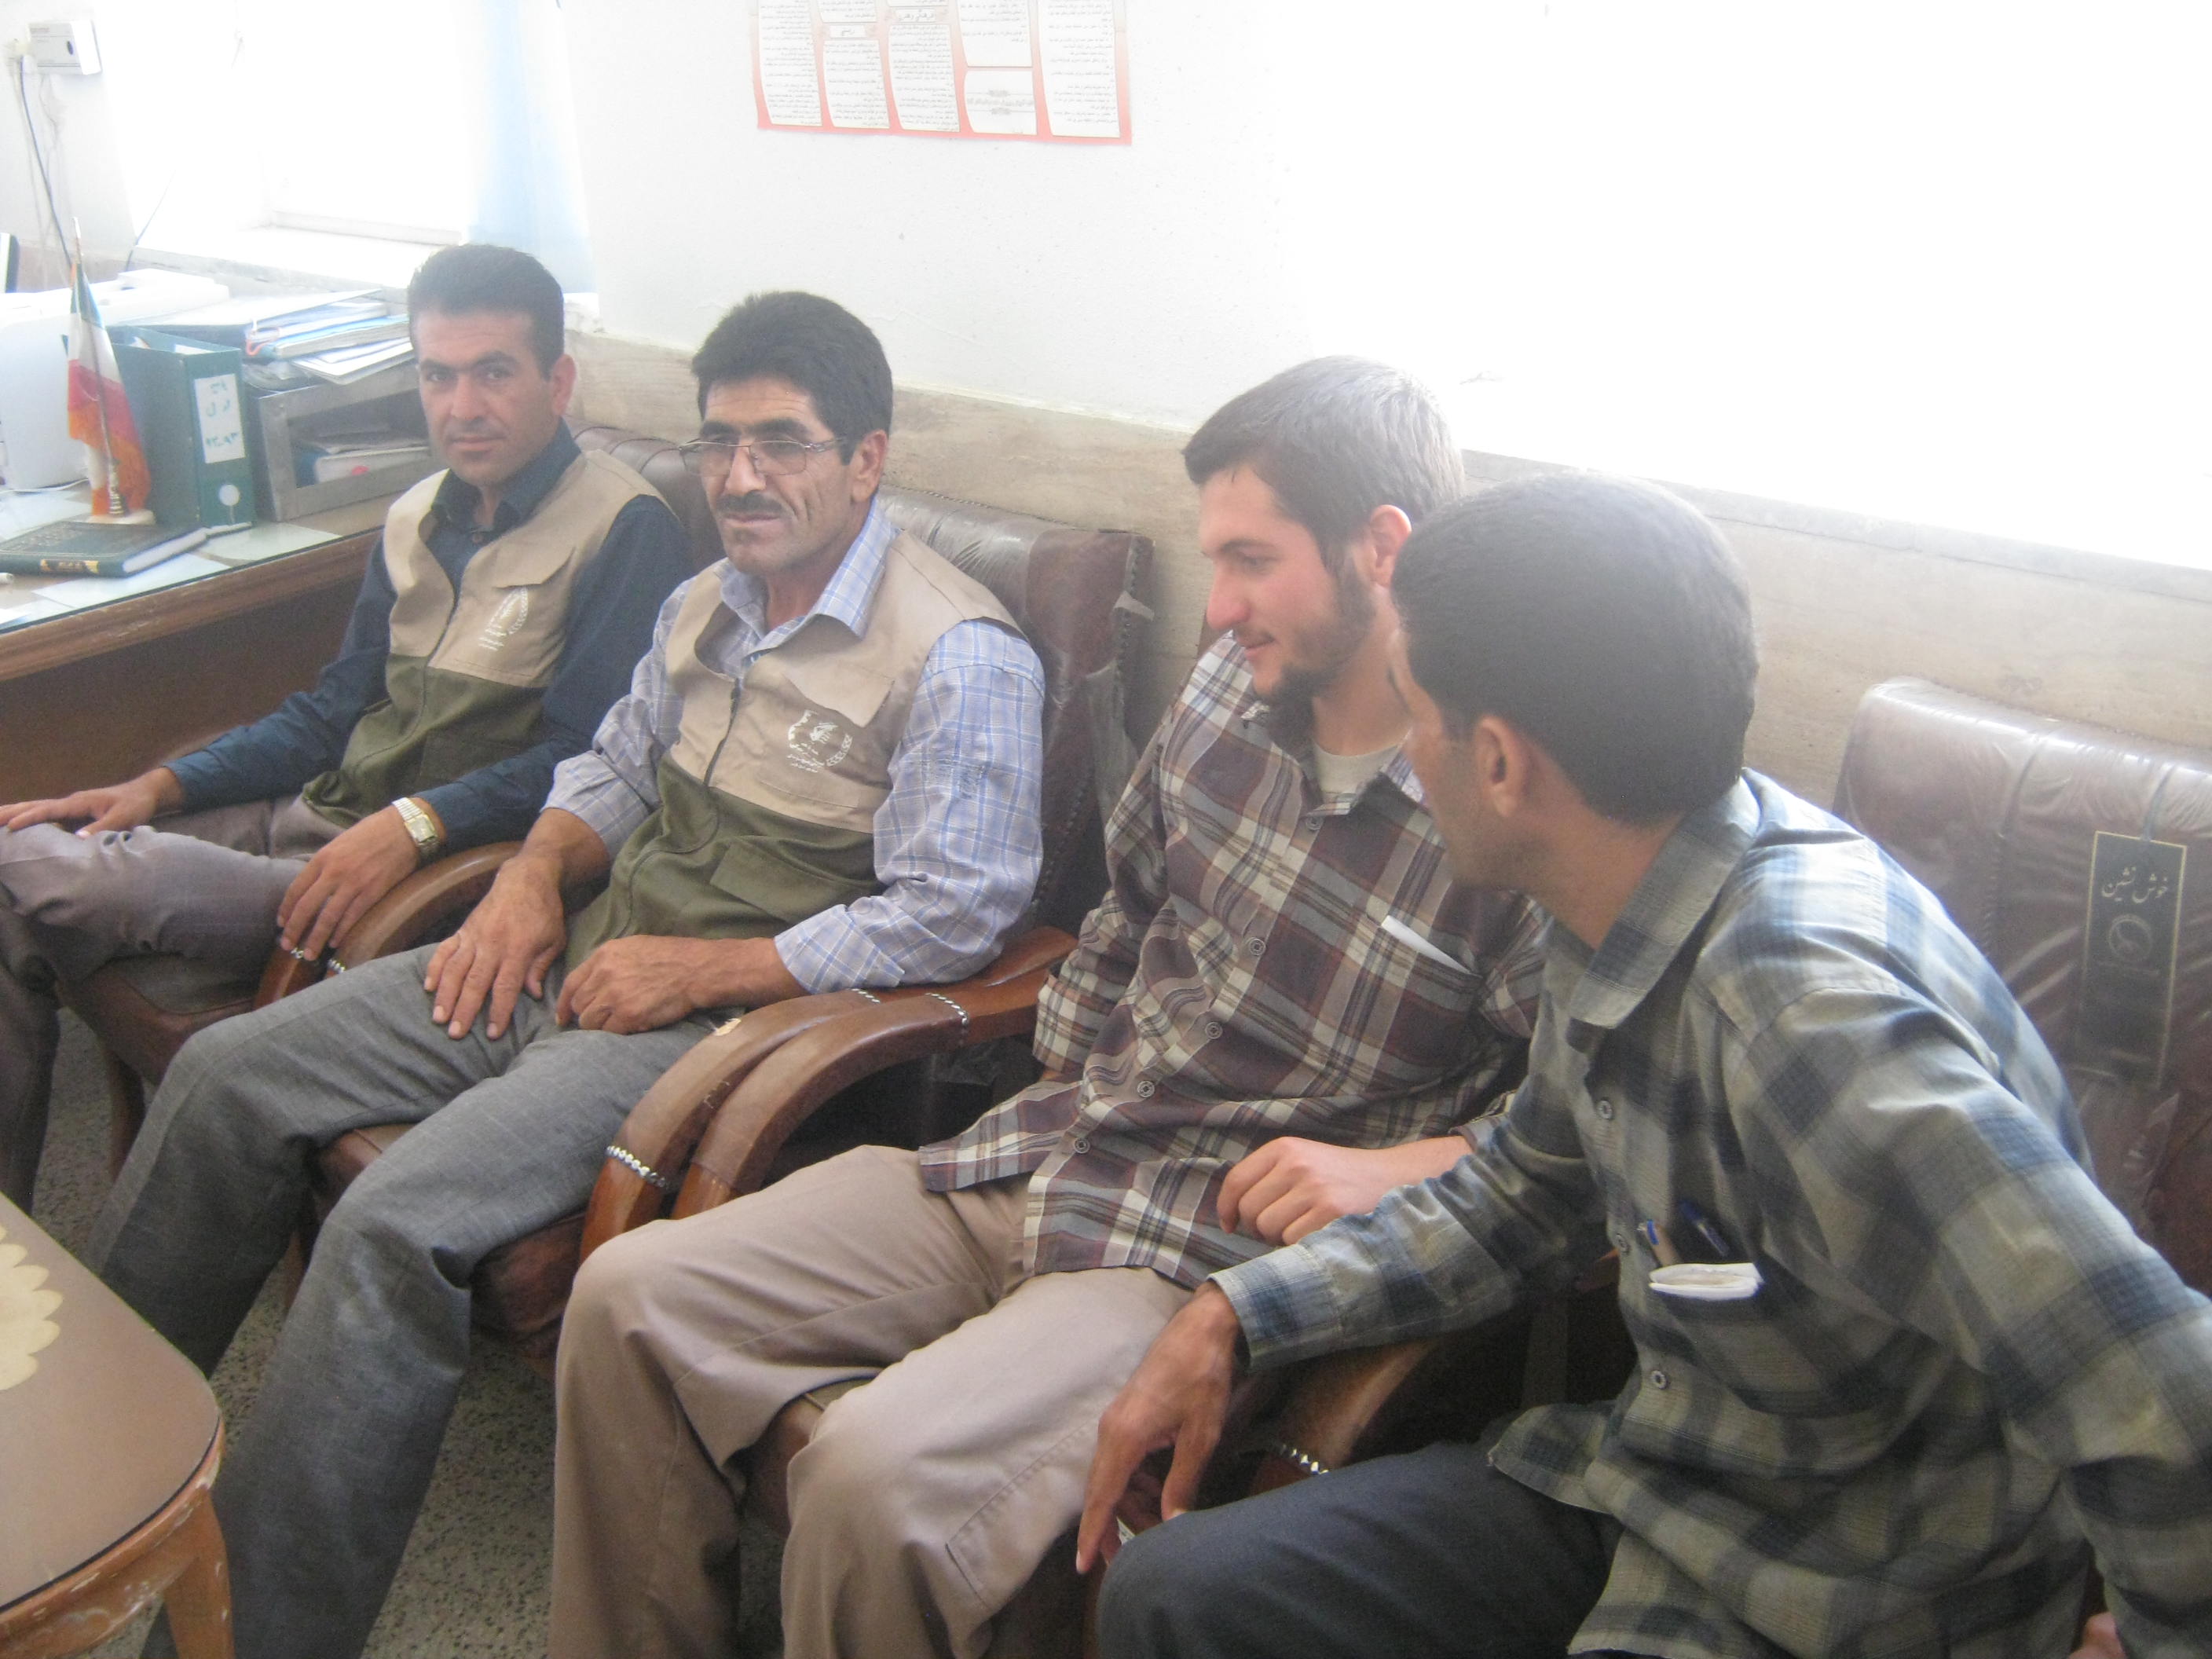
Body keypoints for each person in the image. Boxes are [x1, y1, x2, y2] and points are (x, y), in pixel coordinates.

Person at [1082, 473, 2212, 1659]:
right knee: (1179, 1592)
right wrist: (1240, 1312)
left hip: (1846, 1592)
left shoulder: (1809, 1029)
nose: (1406, 750)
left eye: (1413, 711)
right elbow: (1523, 1195)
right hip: (1659, 1490)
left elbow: (2167, 1390)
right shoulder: (1625, 893)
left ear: (1501, 762)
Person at [85, 290, 1047, 1659]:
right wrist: (532, 875)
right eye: (720, 443)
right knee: (227, 1073)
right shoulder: (707, 599)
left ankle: (245, 1639)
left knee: (394, 1223)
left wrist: (705, 969)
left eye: (781, 443)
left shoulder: (958, 652)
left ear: (867, 459)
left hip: (719, 1031)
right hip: (574, 951)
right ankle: (91, 1480)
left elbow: (961, 910)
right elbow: (611, 766)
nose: (741, 477)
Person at [548, 356, 1548, 1659]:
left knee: (874, 1483)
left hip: (1198, 1255)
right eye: (1215, 559)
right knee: (627, 1297)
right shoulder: (1228, 690)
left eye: (1252, 561)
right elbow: (1128, 910)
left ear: (1382, 548)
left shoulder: (1505, 798)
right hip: (1045, 1149)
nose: (1220, 605)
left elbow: (1591, 1129)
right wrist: (1073, 1060)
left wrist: (1414, 1163)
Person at [0, 242, 692, 1206]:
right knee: (29, 861)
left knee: (27, 871)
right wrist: (160, 787)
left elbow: (588, 761)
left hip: (406, 880)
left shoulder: (624, 527)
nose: (462, 406)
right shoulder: (415, 515)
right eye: (438, 376)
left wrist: (415, 825)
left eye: (493, 373)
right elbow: (331, 713)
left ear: (558, 381)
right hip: (318, 812)